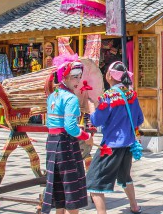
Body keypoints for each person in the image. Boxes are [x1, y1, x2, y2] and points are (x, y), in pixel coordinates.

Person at [87, 61, 144, 214]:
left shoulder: (108, 96)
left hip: (111, 146)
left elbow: (96, 120)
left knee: (94, 181)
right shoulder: (131, 93)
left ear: (109, 76)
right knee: (125, 177)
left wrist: (92, 107)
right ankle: (134, 206)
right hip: (128, 144)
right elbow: (139, 119)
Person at [41, 54, 91, 214]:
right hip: (66, 144)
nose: (78, 80)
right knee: (70, 187)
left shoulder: (53, 95)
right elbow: (71, 127)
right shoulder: (71, 99)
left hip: (52, 142)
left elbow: (50, 122)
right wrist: (86, 137)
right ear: (66, 76)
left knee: (57, 186)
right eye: (75, 77)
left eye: (80, 76)